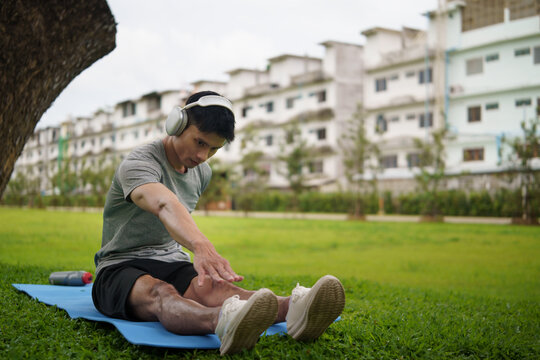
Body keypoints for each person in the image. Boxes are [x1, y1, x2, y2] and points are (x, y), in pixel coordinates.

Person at [92, 90, 345, 355]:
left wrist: (196, 255)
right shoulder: (139, 162)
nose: (203, 156)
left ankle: (295, 309)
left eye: (214, 148)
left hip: (170, 260)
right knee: (161, 293)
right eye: (199, 142)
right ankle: (223, 321)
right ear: (177, 124)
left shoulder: (202, 172)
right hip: (119, 267)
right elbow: (164, 203)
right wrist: (200, 246)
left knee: (219, 289)